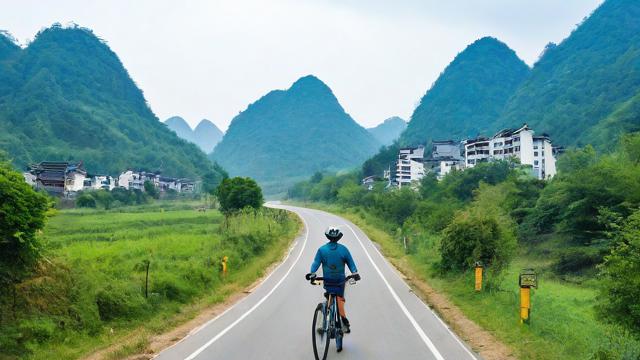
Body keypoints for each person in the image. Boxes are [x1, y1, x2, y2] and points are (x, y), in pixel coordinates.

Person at [306, 226, 360, 335]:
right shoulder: (344, 249)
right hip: (340, 281)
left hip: (327, 280)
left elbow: (315, 264)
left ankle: (325, 319)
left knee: (329, 294)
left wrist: (312, 273)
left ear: (327, 236)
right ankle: (344, 323)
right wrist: (355, 273)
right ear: (339, 237)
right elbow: (351, 264)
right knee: (340, 299)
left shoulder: (322, 250)